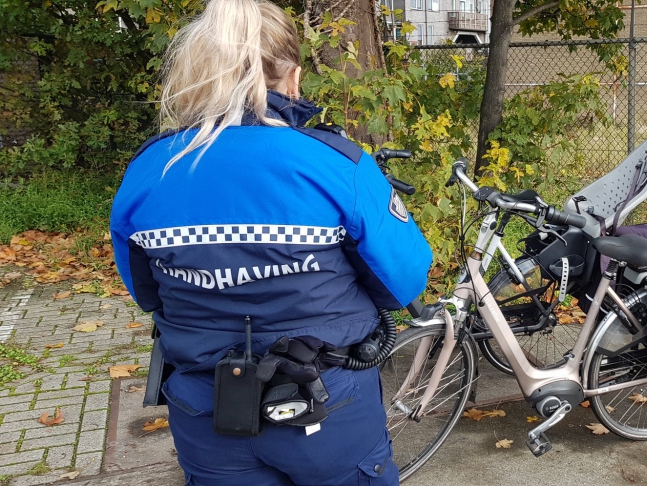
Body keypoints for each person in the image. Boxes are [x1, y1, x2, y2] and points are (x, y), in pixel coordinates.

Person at [110, 1, 431, 484]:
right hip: (325, 403)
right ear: (293, 77)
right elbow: (403, 281)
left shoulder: (150, 170)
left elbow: (146, 292)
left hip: (205, 405)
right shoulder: (335, 164)